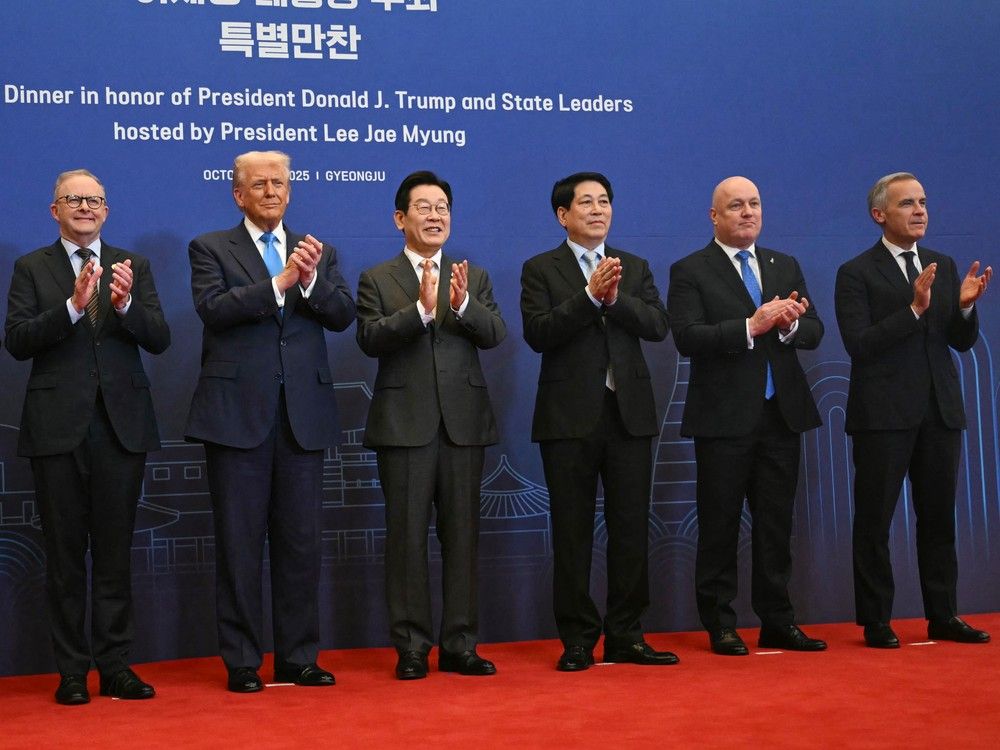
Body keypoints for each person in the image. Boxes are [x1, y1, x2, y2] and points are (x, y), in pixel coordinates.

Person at [185, 150, 356, 692]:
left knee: (300, 545)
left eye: (279, 184)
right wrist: (281, 282)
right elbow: (214, 309)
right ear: (238, 195)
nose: (271, 192)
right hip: (237, 417)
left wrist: (307, 282)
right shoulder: (210, 247)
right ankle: (241, 661)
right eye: (259, 185)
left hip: (301, 418)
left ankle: (298, 658)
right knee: (239, 546)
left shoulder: (316, 250)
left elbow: (342, 314)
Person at [4, 169, 170, 704]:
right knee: (65, 555)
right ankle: (72, 670)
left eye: (94, 199)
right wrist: (74, 307)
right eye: (73, 199)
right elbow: (18, 341)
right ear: (55, 210)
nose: (84, 207)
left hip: (121, 427)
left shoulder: (132, 266)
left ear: (107, 209)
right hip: (57, 430)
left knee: (116, 554)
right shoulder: (32, 267)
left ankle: (116, 665)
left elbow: (160, 338)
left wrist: (122, 306)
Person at [521, 172, 677, 671]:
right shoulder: (540, 268)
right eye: (585, 202)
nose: (597, 209)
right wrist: (588, 299)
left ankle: (628, 634)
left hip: (628, 415)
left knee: (631, 529)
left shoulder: (634, 265)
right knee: (572, 533)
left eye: (604, 201)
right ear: (562, 215)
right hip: (568, 419)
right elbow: (539, 333)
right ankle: (578, 639)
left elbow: (656, 325)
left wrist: (614, 299)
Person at [667, 176, 826, 656]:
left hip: (781, 415)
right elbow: (687, 337)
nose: (747, 213)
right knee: (719, 524)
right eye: (736, 206)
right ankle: (720, 623)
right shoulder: (691, 269)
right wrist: (749, 327)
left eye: (754, 204)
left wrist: (790, 323)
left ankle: (778, 620)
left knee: (776, 525)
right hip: (723, 419)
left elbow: (814, 331)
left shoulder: (784, 264)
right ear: (714, 216)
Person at [356, 171, 505, 680]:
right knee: (406, 540)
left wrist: (461, 303)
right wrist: (420, 310)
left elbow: (496, 334)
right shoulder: (377, 278)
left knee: (462, 538)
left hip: (463, 425)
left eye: (442, 206)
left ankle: (460, 644)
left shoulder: (473, 276)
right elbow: (370, 339)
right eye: (424, 207)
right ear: (401, 219)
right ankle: (412, 647)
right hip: (404, 427)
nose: (435, 215)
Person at [835, 172, 992, 648]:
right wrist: (914, 311)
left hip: (939, 412)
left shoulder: (942, 264)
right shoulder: (856, 272)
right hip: (882, 416)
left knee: (939, 518)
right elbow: (860, 346)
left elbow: (959, 344)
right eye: (908, 204)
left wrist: (963, 308)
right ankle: (877, 621)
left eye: (923, 202)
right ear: (879, 214)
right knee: (875, 520)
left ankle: (943, 615)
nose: (920, 211)